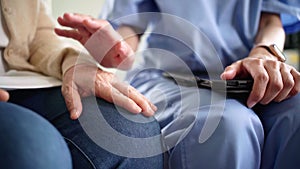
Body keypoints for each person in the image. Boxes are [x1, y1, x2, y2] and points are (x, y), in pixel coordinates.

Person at [55, 0, 300, 169]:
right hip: (171, 77)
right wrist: (114, 49)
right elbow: (129, 34)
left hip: (250, 73)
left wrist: (264, 54)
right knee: (224, 125)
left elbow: (271, 22)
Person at [0, 0, 163, 168]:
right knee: (37, 152)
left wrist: (74, 62)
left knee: (137, 135)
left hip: (25, 81)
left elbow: (36, 34)